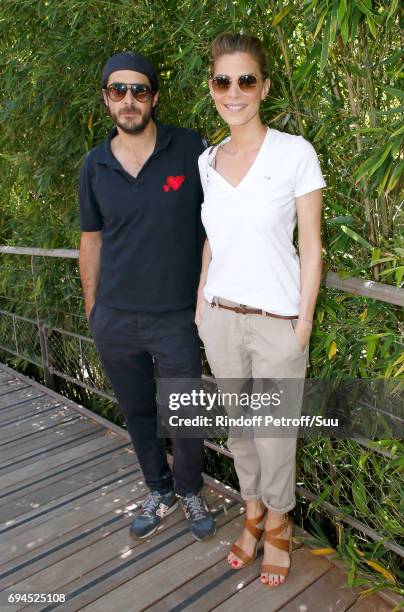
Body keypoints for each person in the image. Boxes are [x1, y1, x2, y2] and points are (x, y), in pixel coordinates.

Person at [196, 33, 326, 586]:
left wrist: (303, 322)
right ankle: (252, 513)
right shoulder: (206, 161)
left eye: (246, 79)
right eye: (224, 81)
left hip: (277, 324)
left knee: (275, 432)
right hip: (220, 318)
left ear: (264, 86)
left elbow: (313, 244)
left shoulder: (294, 153)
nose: (235, 92)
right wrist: (202, 303)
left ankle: (279, 521)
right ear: (212, 89)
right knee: (240, 432)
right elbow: (210, 239)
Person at [78, 51, 216, 542]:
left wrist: (204, 291)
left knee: (184, 411)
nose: (129, 100)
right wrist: (93, 310)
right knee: (138, 412)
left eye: (139, 90)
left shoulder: (190, 150)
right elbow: (90, 240)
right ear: (106, 100)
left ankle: (190, 489)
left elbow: (214, 225)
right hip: (115, 319)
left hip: (177, 315)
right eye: (119, 90)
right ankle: (158, 489)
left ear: (153, 97)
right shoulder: (93, 165)